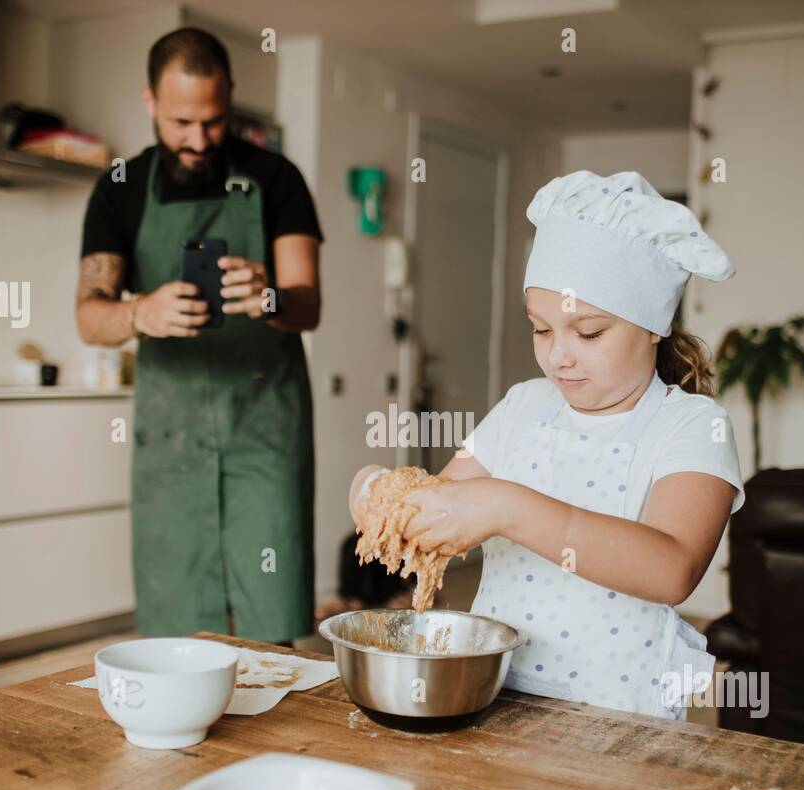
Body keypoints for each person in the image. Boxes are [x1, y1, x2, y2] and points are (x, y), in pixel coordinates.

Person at [349, 169, 744, 718]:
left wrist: (509, 507)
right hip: (495, 695)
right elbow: (444, 512)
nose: (559, 356)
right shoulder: (525, 406)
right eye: (541, 329)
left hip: (620, 717)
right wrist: (382, 497)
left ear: (654, 325)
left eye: (589, 333)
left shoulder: (693, 426)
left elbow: (672, 569)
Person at [76, 28, 323, 643]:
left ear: (231, 98)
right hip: (171, 440)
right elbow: (88, 316)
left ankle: (276, 738)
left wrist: (267, 295)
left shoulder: (278, 178)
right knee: (175, 623)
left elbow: (307, 304)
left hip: (265, 429)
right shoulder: (119, 188)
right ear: (149, 100)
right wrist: (140, 313)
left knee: (272, 617)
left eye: (212, 121)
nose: (197, 139)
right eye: (181, 121)